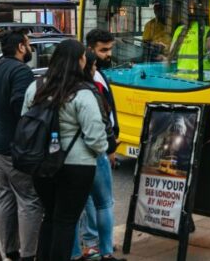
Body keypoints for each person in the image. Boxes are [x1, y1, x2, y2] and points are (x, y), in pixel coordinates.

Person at [23, 39, 108, 261]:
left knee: (49, 217)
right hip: (77, 166)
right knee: (66, 221)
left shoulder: (36, 87)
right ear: (79, 60)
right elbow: (96, 138)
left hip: (41, 163)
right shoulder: (82, 92)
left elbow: (25, 121)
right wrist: (101, 150)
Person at [0, 30, 42, 261]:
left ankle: (10, 250)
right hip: (13, 147)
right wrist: (25, 138)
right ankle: (28, 254)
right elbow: (21, 107)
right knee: (29, 198)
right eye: (28, 42)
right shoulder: (21, 71)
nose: (30, 46)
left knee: (4, 195)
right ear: (21, 47)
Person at [75, 29, 123, 261]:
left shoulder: (70, 82)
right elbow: (103, 120)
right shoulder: (91, 81)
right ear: (89, 51)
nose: (108, 55)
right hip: (94, 152)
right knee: (102, 202)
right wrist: (110, 147)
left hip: (74, 156)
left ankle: (84, 247)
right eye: (103, 50)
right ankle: (97, 246)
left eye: (110, 48)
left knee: (82, 204)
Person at [169, 0, 210, 81]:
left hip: (181, 80)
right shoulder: (207, 31)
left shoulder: (179, 30)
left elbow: (170, 55)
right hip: (202, 82)